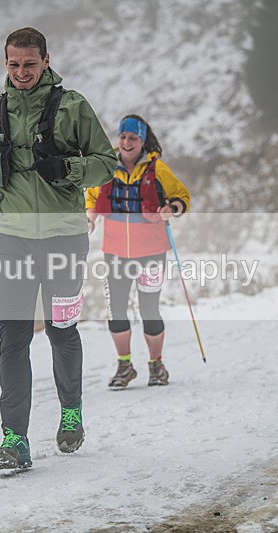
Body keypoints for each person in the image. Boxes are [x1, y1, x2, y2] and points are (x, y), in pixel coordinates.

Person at [0, 28, 116, 469]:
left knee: (62, 331)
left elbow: (107, 164)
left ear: (46, 60)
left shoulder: (73, 105)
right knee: (14, 337)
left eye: (29, 63)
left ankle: (71, 414)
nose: (21, 73)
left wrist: (68, 166)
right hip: (11, 238)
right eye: (13, 64)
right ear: (5, 63)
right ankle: (14, 440)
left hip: (64, 238)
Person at [86, 115, 190, 389]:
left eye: (133, 138)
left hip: (152, 252)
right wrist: (90, 219)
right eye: (123, 137)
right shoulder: (106, 167)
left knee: (149, 309)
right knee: (116, 311)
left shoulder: (158, 169)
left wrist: (172, 209)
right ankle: (125, 366)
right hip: (116, 252)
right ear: (117, 139)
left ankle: (156, 366)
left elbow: (182, 197)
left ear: (142, 141)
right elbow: (93, 199)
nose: (127, 142)